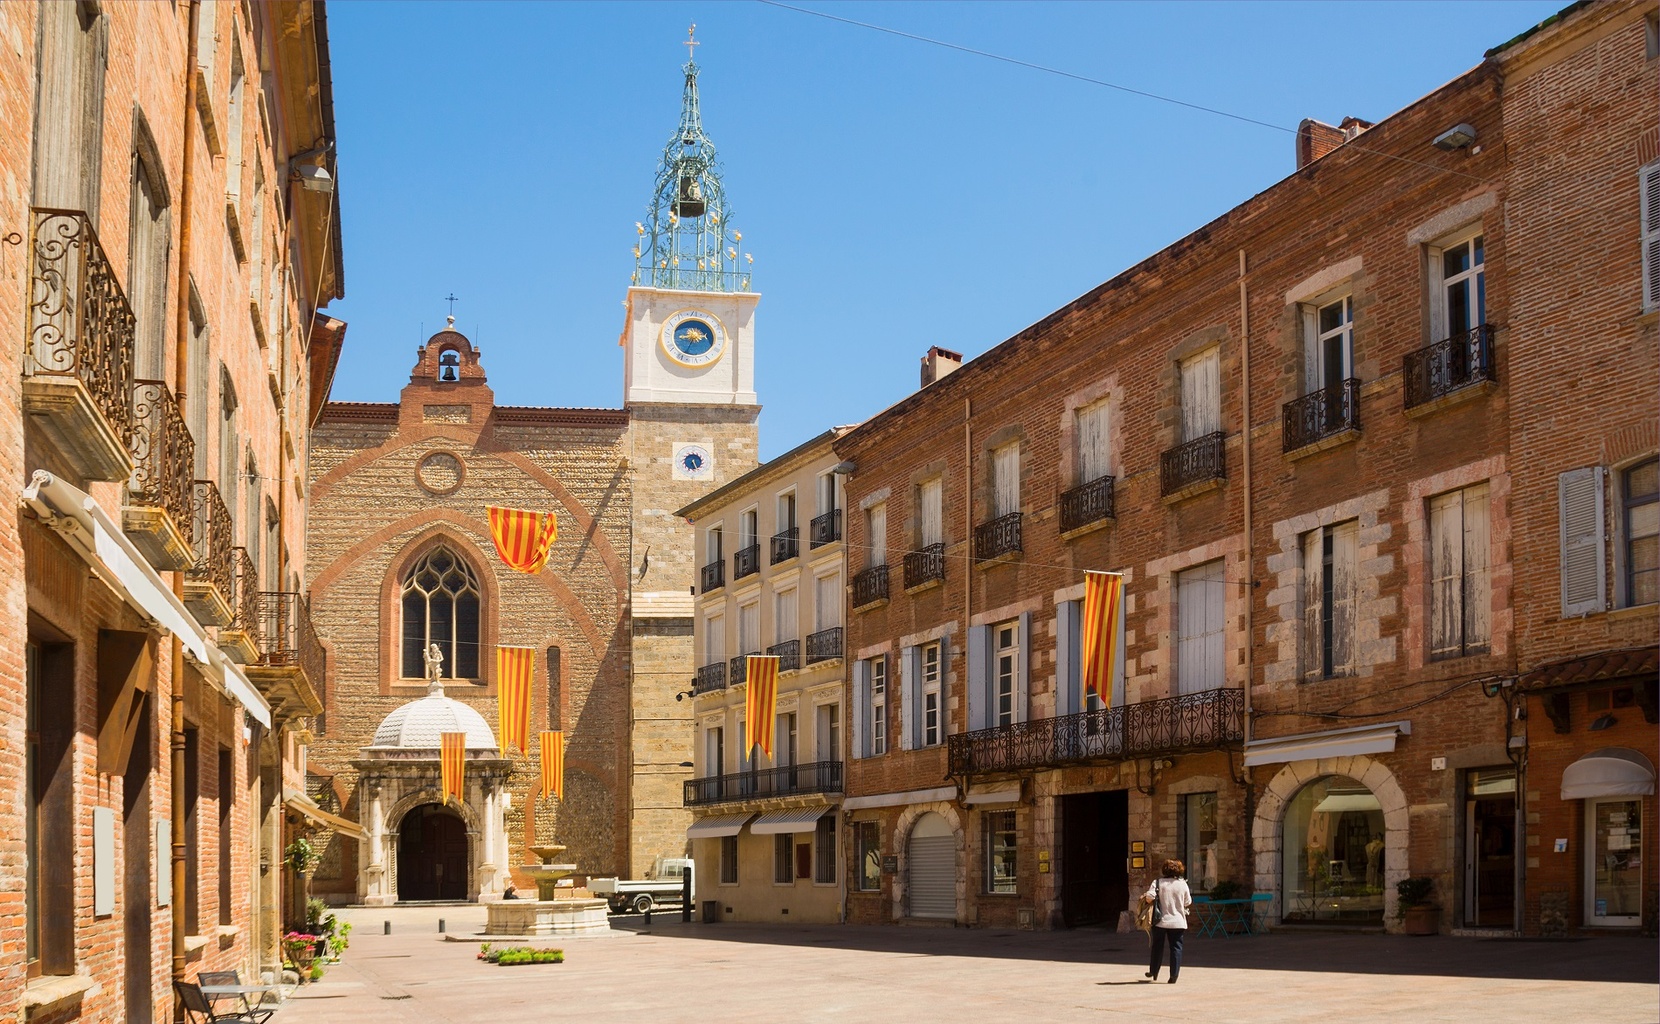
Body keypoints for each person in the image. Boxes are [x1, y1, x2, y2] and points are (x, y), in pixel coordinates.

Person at [1142, 858, 1193, 984]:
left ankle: (1154, 971)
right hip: (1178, 921)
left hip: (1160, 921)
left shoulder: (1158, 882)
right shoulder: (1182, 884)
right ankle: (1174, 975)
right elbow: (1188, 902)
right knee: (1176, 948)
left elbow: (1149, 897)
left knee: (1157, 946)